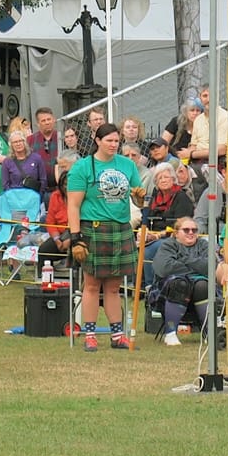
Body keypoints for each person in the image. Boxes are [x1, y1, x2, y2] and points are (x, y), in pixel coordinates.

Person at [66, 124, 144, 351]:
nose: (113, 145)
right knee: (91, 285)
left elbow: (138, 200)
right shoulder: (82, 167)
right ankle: (90, 335)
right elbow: (73, 205)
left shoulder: (128, 165)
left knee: (113, 287)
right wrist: (76, 237)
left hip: (120, 228)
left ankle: (117, 336)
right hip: (93, 228)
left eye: (116, 141)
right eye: (109, 140)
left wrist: (140, 197)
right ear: (97, 141)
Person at [146, 219, 210, 346]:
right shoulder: (168, 245)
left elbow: (210, 266)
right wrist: (196, 266)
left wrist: (183, 259)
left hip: (199, 286)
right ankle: (170, 333)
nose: (191, 233)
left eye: (194, 230)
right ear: (176, 233)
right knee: (180, 284)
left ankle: (208, 332)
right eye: (186, 230)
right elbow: (164, 268)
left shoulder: (203, 245)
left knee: (202, 285)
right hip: (168, 290)